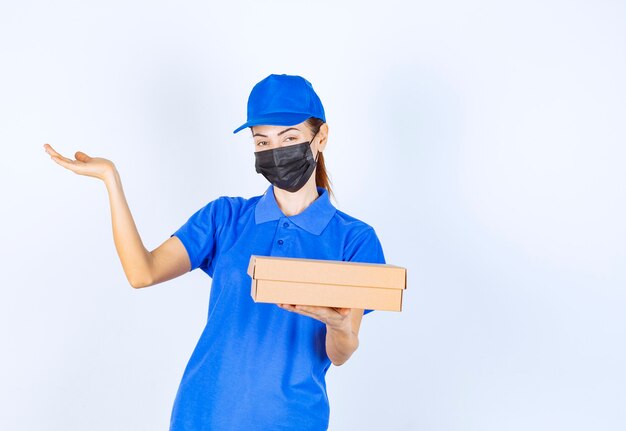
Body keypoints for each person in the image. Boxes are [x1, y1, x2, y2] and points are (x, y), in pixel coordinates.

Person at [43, 73, 387, 431]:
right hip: (202, 415)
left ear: (321, 138)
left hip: (291, 419)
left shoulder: (354, 240)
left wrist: (337, 324)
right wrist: (111, 181)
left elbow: (340, 352)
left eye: (290, 137)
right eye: (262, 141)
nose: (276, 150)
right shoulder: (226, 217)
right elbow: (141, 272)